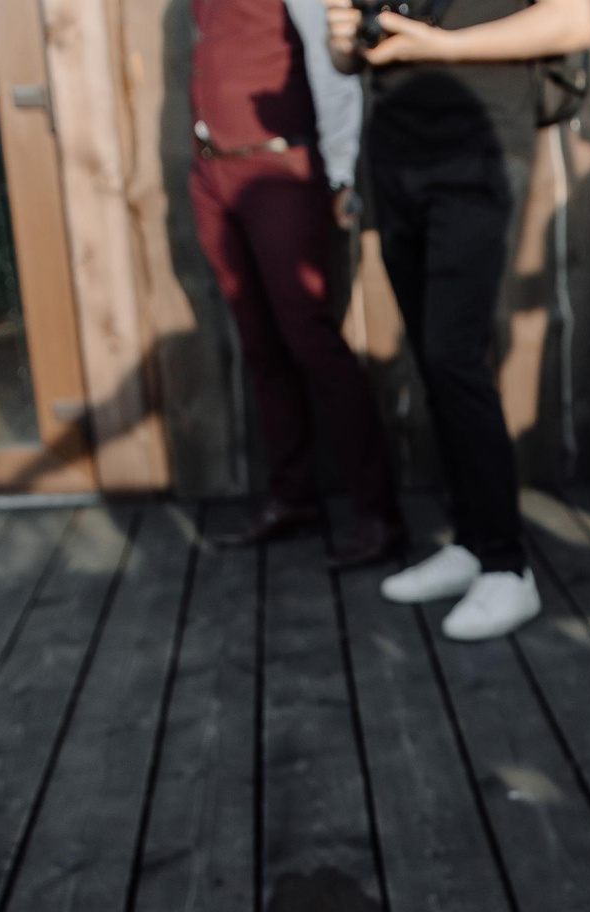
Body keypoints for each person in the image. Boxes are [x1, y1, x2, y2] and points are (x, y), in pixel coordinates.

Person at [329, 0, 590, 643]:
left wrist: (436, 47)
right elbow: (352, 55)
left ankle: (508, 567)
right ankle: (472, 544)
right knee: (431, 357)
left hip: (477, 143)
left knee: (452, 353)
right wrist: (344, 41)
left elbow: (574, 21)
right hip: (394, 147)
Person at [191, 0, 399, 566]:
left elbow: (330, 58)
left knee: (311, 338)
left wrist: (338, 170)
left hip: (280, 166)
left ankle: (378, 513)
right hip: (213, 169)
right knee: (259, 345)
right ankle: (292, 497)